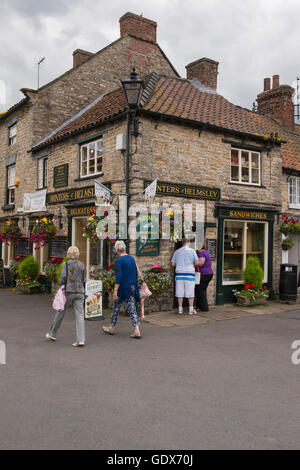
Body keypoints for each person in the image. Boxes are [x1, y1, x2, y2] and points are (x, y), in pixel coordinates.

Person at [46, 246, 86, 347]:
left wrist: (62, 283)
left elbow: (62, 279)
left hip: (68, 291)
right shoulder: (82, 264)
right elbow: (83, 279)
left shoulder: (65, 264)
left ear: (68, 253)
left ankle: (52, 334)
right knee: (80, 315)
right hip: (80, 292)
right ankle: (81, 340)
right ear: (77, 254)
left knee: (60, 312)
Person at [102, 241, 142, 339]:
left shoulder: (119, 260)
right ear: (124, 248)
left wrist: (115, 290)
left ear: (116, 250)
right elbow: (138, 272)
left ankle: (111, 327)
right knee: (132, 308)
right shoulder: (131, 258)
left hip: (123, 288)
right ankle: (137, 329)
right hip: (132, 286)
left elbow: (119, 276)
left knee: (116, 307)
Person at [171, 238, 199, 315]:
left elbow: (173, 264)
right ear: (188, 243)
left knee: (179, 292)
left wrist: (180, 264)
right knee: (190, 292)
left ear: (182, 243)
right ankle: (190, 309)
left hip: (179, 274)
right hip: (189, 273)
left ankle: (180, 309)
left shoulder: (177, 251)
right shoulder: (192, 251)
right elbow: (197, 262)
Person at [195, 243, 213, 312]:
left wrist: (193, 263)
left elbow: (201, 263)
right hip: (209, 274)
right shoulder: (206, 252)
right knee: (202, 290)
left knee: (201, 291)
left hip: (204, 274)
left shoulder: (201, 253)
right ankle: (200, 306)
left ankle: (204, 308)